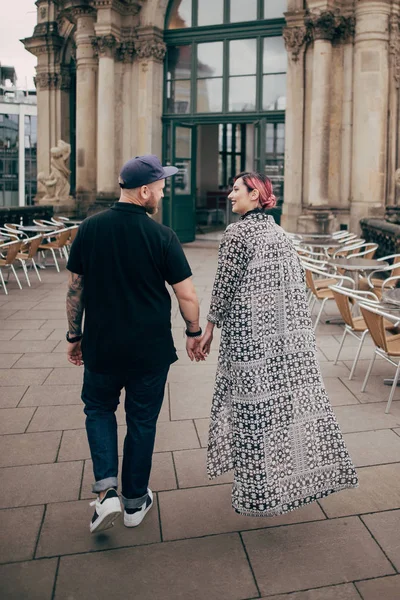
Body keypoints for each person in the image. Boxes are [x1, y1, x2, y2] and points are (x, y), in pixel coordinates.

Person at [199, 172, 358, 517]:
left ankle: (254, 491)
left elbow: (224, 285)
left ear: (255, 195)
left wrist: (209, 327)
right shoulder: (280, 233)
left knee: (248, 411)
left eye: (237, 190)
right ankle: (278, 481)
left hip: (246, 340)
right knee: (274, 410)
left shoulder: (236, 232)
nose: (230, 196)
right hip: (280, 340)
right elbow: (295, 287)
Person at [66, 155, 202, 533]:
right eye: (160, 186)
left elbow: (75, 289)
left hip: (102, 346)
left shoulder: (89, 229)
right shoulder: (162, 236)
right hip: (149, 350)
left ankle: (106, 490)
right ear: (144, 191)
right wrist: (193, 333)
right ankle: (134, 501)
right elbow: (187, 294)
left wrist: (75, 336)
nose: (162, 191)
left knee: (98, 409)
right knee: (142, 421)